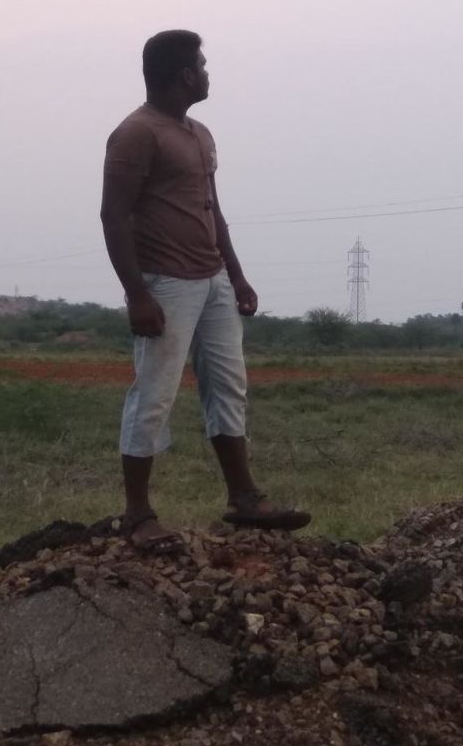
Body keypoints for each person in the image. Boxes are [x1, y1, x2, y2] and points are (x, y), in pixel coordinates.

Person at [101, 30, 310, 553]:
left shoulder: (199, 133)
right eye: (202, 64)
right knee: (155, 394)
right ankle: (137, 514)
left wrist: (235, 275)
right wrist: (137, 294)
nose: (208, 73)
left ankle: (244, 499)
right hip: (165, 283)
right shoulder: (135, 134)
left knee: (228, 386)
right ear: (185, 75)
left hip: (212, 279)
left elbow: (212, 208)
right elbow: (113, 215)